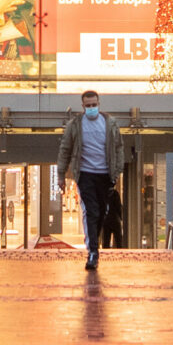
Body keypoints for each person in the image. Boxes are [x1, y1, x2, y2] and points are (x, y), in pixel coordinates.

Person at [55, 89, 120, 272]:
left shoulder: (110, 124)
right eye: (88, 105)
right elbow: (65, 150)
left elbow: (118, 147)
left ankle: (94, 246)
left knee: (101, 212)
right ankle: (92, 252)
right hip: (85, 174)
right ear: (82, 106)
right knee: (92, 211)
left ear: (99, 104)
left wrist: (116, 172)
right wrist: (61, 175)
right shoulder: (75, 125)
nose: (92, 108)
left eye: (94, 105)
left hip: (105, 175)